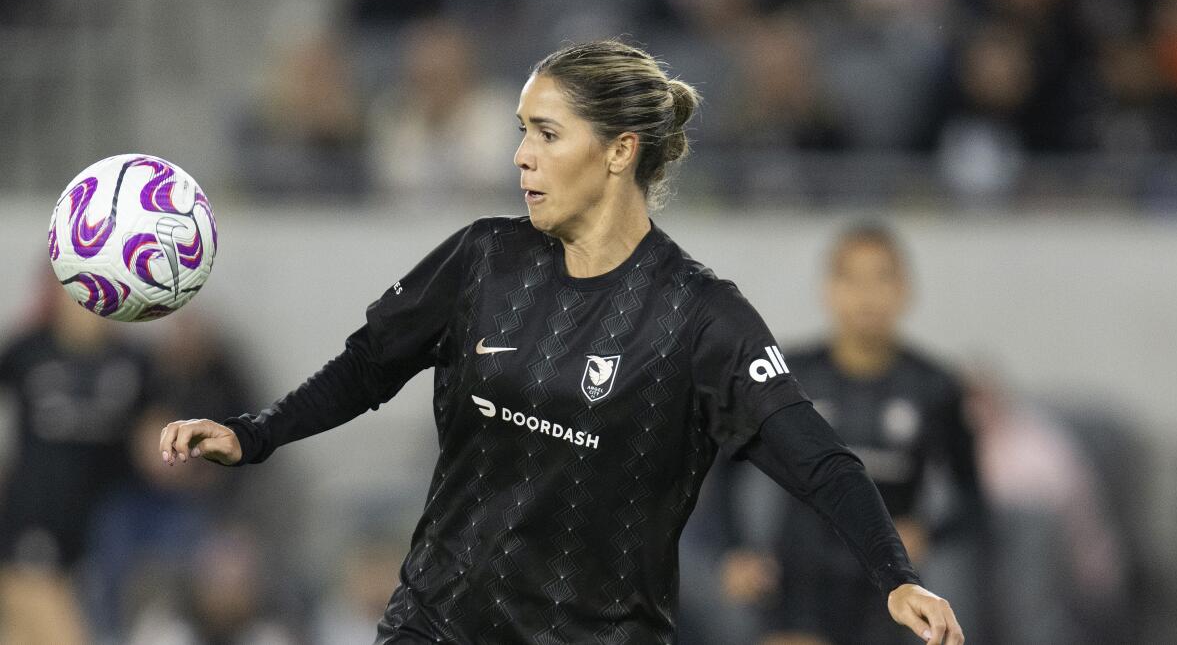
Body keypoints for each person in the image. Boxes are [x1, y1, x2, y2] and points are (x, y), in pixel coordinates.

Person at [159, 40, 964, 644]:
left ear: (619, 150)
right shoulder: (482, 257)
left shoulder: (702, 317)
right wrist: (252, 433)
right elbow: (367, 366)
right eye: (521, 131)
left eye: (546, 133)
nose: (521, 155)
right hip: (436, 623)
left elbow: (819, 459)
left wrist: (896, 577)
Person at [754, 224, 986, 645]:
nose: (867, 294)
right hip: (801, 584)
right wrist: (736, 549)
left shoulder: (934, 387)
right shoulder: (789, 375)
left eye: (882, 277)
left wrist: (927, 531)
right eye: (852, 278)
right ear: (828, 288)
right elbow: (721, 463)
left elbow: (972, 498)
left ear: (905, 290)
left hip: (889, 588)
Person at [0, 272, 157, 644]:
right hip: (35, 518)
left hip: (104, 525)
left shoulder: (133, 361)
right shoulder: (29, 350)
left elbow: (155, 437)